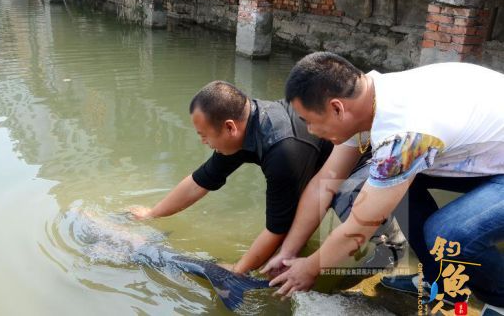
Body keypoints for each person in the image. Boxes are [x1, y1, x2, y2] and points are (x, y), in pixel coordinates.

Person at [262, 52, 504, 315]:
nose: (310, 130)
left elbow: (360, 226)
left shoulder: (402, 134)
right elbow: (325, 182)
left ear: (336, 108)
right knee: (381, 184)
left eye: (309, 121)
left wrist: (310, 268)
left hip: (492, 162)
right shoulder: (369, 100)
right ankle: (442, 282)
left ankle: (499, 299)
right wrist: (288, 253)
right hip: (487, 154)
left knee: (446, 233)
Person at [130, 80, 403, 274]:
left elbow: (277, 227)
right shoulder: (243, 127)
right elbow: (201, 181)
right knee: (288, 239)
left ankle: (393, 259)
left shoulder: (281, 149)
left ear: (229, 127)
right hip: (315, 166)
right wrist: (152, 214)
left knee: (351, 206)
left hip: (365, 159)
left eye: (204, 135)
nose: (203, 141)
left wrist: (239, 269)